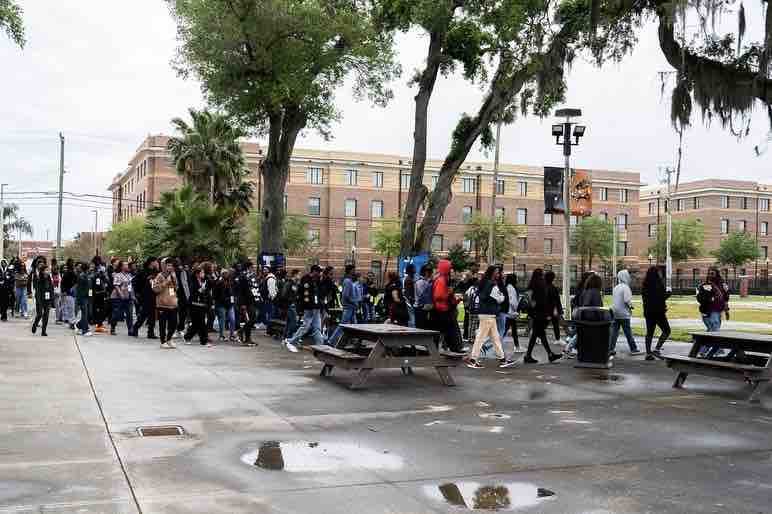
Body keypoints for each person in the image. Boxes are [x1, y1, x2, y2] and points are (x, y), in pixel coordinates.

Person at [464, 266, 518, 369]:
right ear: (493, 274)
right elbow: (500, 298)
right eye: (497, 273)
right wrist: (501, 295)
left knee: (495, 338)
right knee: (481, 338)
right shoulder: (492, 285)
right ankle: (473, 359)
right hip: (489, 313)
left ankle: (502, 359)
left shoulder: (483, 283)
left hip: (485, 313)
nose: (498, 275)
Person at [523, 269, 563, 364]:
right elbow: (542, 301)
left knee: (538, 334)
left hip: (534, 313)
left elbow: (530, 298)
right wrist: (547, 314)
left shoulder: (531, 285)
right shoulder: (541, 285)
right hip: (540, 314)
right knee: (539, 333)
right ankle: (546, 355)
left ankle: (545, 354)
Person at [284, 264, 325, 353]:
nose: (319, 274)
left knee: (317, 327)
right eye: (318, 272)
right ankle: (292, 341)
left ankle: (320, 345)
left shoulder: (316, 280)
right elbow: (305, 295)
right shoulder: (306, 280)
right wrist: (306, 307)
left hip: (316, 307)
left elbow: (318, 293)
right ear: (314, 271)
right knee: (306, 326)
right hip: (310, 307)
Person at [432, 259, 463, 353]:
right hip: (442, 310)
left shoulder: (442, 279)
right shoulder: (441, 280)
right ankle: (455, 347)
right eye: (450, 268)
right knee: (450, 330)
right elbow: (438, 296)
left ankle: (453, 347)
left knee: (447, 330)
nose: (452, 270)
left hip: (443, 309)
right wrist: (448, 293)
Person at [609, 270, 643, 356]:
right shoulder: (626, 287)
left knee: (614, 332)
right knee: (628, 332)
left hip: (615, 312)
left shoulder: (616, 287)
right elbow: (627, 300)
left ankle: (610, 349)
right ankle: (633, 349)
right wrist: (631, 307)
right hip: (623, 313)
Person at [642, 266, 671, 360]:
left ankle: (648, 353)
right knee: (667, 330)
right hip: (658, 312)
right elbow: (660, 298)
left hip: (648, 312)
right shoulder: (659, 284)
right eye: (659, 272)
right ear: (656, 273)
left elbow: (647, 299)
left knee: (649, 332)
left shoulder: (645, 285)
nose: (660, 273)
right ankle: (657, 349)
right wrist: (668, 294)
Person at [328, 264, 357, 347]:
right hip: (349, 307)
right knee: (343, 325)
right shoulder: (348, 281)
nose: (354, 271)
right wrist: (354, 302)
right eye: (353, 270)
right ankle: (331, 340)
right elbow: (345, 295)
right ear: (350, 270)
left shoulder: (348, 281)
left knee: (354, 325)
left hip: (351, 307)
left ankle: (353, 341)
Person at [152, 259, 178, 349]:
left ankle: (169, 339)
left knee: (174, 323)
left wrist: (174, 288)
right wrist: (165, 283)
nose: (170, 267)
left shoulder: (173, 276)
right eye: (168, 265)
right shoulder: (159, 276)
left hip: (172, 304)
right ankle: (163, 341)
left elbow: (174, 289)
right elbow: (155, 289)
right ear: (163, 266)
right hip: (162, 304)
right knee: (163, 324)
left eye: (171, 265)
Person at [697, 267, 730, 332]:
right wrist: (706, 299)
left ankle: (715, 339)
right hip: (705, 309)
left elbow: (726, 297)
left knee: (714, 325)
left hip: (717, 308)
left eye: (712, 273)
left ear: (716, 274)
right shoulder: (703, 285)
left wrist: (726, 310)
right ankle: (710, 339)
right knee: (709, 327)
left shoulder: (723, 285)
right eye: (709, 273)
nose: (710, 275)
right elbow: (699, 297)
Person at [185, 266, 211, 346]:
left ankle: (188, 336)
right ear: (197, 274)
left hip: (202, 305)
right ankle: (204, 341)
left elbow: (206, 292)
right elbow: (192, 293)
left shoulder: (204, 281)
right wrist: (200, 290)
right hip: (194, 305)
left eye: (203, 272)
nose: (203, 274)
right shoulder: (193, 282)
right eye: (202, 273)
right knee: (200, 323)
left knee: (197, 324)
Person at [110, 261, 135, 336]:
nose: (127, 266)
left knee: (129, 314)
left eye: (127, 265)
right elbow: (116, 285)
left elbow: (130, 286)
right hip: (118, 297)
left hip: (128, 297)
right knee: (116, 313)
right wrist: (120, 294)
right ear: (121, 267)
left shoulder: (129, 275)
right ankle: (113, 328)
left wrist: (132, 295)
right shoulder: (117, 275)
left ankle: (130, 330)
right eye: (126, 265)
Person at [238, 261, 260, 346]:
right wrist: (242, 303)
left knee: (253, 319)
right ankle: (247, 337)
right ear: (248, 267)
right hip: (247, 301)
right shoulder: (243, 276)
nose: (253, 268)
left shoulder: (252, 276)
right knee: (252, 319)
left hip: (253, 300)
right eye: (252, 267)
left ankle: (243, 332)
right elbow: (241, 291)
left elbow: (254, 287)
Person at [213, 269, 236, 342]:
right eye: (224, 273)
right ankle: (221, 335)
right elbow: (215, 295)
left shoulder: (231, 282)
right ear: (222, 275)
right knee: (222, 319)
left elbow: (233, 292)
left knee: (232, 319)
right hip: (221, 304)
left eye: (227, 273)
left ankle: (232, 335)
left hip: (230, 303)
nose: (226, 275)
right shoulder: (218, 283)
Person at [31, 264, 54, 336]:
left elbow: (51, 289)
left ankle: (43, 331)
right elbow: (38, 291)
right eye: (46, 270)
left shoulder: (49, 278)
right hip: (40, 299)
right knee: (40, 314)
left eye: (48, 270)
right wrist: (39, 300)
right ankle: (35, 324)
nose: (48, 271)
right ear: (43, 271)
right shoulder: (39, 278)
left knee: (46, 315)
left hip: (47, 299)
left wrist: (51, 298)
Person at [281, 269, 301, 340]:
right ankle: (289, 337)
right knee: (294, 321)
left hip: (292, 304)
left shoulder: (295, 283)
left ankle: (285, 337)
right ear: (295, 275)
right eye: (299, 274)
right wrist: (291, 301)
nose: (299, 276)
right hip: (290, 305)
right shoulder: (290, 283)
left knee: (289, 321)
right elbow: (284, 294)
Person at [75, 262, 94, 337]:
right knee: (85, 314)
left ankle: (79, 325)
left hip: (87, 298)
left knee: (87, 313)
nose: (91, 268)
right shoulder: (82, 276)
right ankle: (84, 330)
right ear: (87, 268)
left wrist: (90, 296)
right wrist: (79, 300)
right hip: (83, 298)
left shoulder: (88, 276)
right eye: (90, 267)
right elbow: (79, 290)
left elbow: (90, 288)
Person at [544, 270, 563, 343]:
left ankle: (538, 338)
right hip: (552, 310)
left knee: (545, 325)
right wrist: (557, 310)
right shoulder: (552, 288)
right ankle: (558, 339)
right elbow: (555, 300)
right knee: (555, 324)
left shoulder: (544, 286)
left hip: (546, 310)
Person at [503, 273, 520, 350]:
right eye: (516, 278)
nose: (517, 280)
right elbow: (513, 301)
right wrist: (516, 309)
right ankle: (517, 346)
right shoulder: (511, 288)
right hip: (510, 312)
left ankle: (517, 346)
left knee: (513, 330)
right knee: (505, 330)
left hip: (509, 312)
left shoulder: (507, 287)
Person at [91, 261, 109, 333]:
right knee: (100, 311)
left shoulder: (101, 277)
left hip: (100, 296)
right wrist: (103, 292)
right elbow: (96, 288)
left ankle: (100, 324)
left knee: (102, 310)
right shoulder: (97, 277)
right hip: (98, 297)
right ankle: (98, 325)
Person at [414, 264, 434, 330]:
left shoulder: (427, 282)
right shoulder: (420, 282)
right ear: (426, 272)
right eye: (431, 272)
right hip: (421, 309)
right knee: (421, 329)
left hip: (425, 308)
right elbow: (423, 295)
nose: (432, 274)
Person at [60, 259, 77, 329]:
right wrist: (65, 291)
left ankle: (71, 321)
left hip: (69, 293)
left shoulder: (69, 273)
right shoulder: (69, 273)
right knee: (70, 308)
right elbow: (63, 283)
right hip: (69, 293)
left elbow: (62, 283)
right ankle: (71, 322)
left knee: (70, 308)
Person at [403, 264, 416, 328]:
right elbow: (408, 292)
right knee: (412, 317)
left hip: (411, 300)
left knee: (412, 317)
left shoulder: (410, 278)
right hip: (410, 301)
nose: (415, 269)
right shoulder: (409, 279)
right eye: (414, 268)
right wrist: (411, 300)